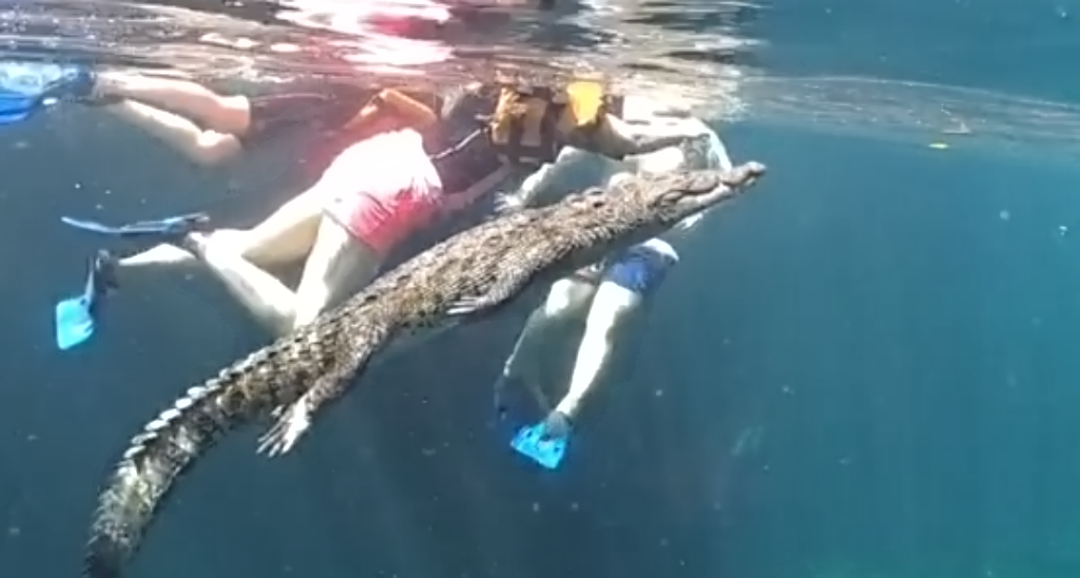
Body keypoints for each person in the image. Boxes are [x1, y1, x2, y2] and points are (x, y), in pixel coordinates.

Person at [55, 77, 707, 348]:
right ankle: (199, 239)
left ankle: (113, 270)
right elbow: (618, 139)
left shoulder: (501, 82)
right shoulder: (578, 109)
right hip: (400, 191)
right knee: (303, 332)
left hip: (378, 159)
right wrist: (669, 136)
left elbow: (604, 133)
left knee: (254, 252)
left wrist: (651, 132)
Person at [493, 114, 733, 469]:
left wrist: (693, 217)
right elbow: (570, 151)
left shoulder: (698, 134)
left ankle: (566, 412)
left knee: (607, 315)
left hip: (652, 241)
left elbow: (727, 179)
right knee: (559, 308)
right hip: (602, 228)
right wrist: (525, 194)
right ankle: (515, 372)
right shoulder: (629, 115)